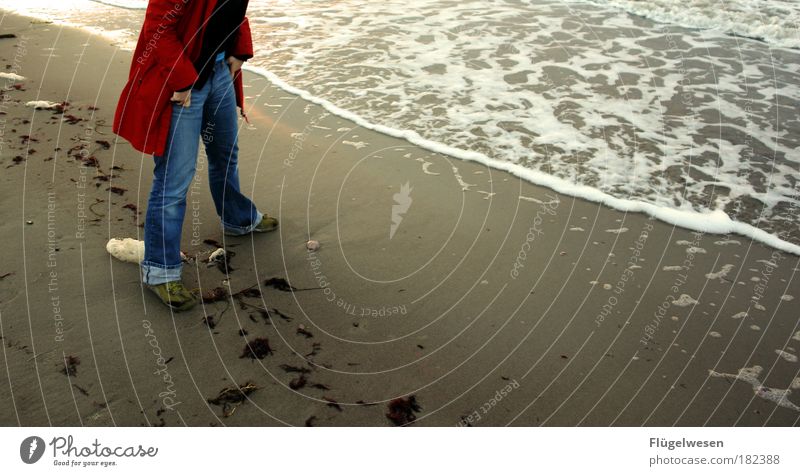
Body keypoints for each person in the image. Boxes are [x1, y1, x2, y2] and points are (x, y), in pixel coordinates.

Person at [112, 0, 277, 312]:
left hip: (219, 71)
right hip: (184, 83)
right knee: (175, 178)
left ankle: (238, 219)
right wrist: (183, 80)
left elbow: (233, 13)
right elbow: (159, 28)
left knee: (225, 154)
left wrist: (239, 52)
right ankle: (159, 272)